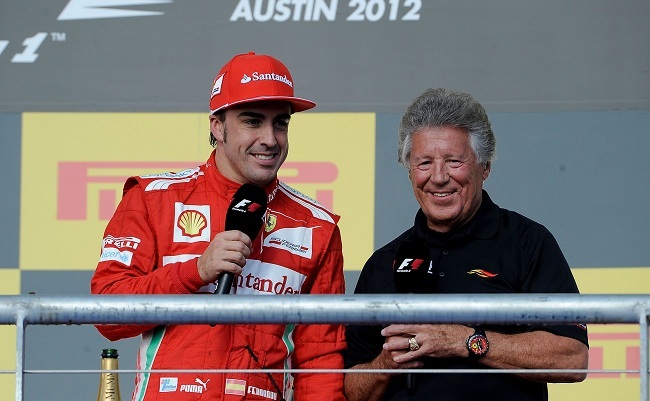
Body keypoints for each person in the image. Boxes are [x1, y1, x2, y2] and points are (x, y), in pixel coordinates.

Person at [91, 52, 346, 401]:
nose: (270, 139)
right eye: (253, 122)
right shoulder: (152, 198)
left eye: (281, 123)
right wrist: (195, 271)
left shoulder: (316, 226)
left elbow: (320, 359)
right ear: (217, 126)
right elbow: (106, 315)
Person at [343, 88, 589, 401]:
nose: (438, 177)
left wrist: (465, 341)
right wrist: (385, 363)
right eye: (424, 163)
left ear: (484, 167)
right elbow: (349, 390)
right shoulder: (383, 262)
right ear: (409, 172)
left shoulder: (527, 241)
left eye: (454, 161)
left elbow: (572, 357)